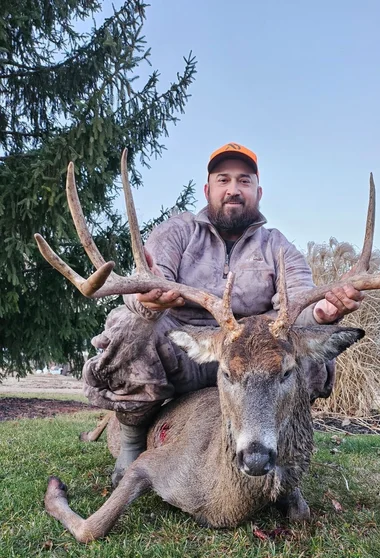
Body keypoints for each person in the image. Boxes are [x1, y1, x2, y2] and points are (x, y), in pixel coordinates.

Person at [83, 143, 364, 484]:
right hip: (187, 351)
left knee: (309, 352)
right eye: (223, 180)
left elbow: (297, 309)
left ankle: (276, 439)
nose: (233, 189)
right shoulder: (179, 232)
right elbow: (147, 285)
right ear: (207, 190)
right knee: (131, 324)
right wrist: (148, 300)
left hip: (253, 364)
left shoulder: (277, 246)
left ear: (258, 192)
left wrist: (322, 312)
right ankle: (131, 439)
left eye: (244, 181)